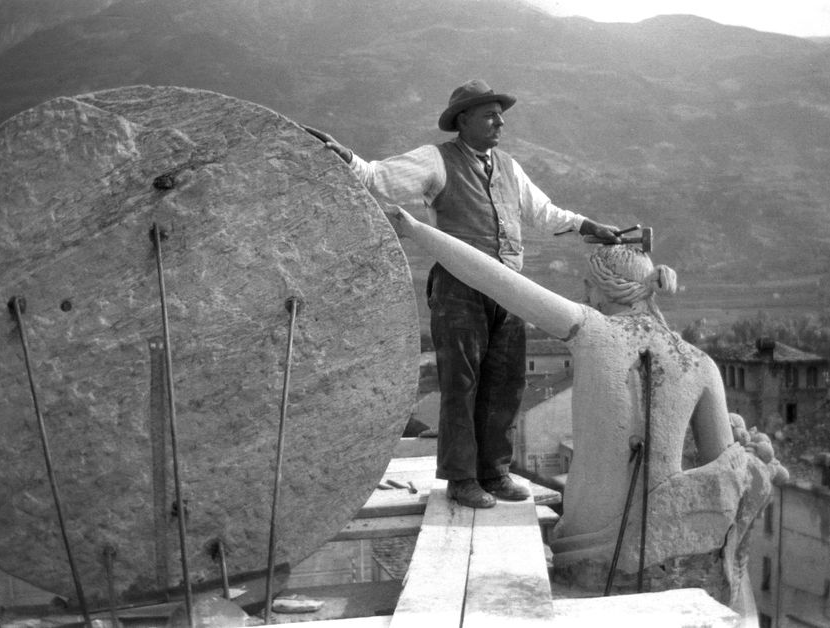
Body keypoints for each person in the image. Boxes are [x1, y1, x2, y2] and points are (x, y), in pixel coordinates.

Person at [383, 205, 788, 619]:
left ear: (604, 288)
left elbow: (492, 277)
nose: (583, 295)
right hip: (672, 555)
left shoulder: (590, 329)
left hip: (588, 553)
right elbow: (723, 467)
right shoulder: (699, 364)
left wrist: (417, 230)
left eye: (587, 286)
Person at [306, 79, 627, 508]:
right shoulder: (436, 161)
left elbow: (544, 213)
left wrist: (589, 226)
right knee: (462, 384)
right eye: (489, 114)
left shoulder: (510, 167)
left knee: (506, 382)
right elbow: (377, 178)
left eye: (500, 115)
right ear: (463, 120)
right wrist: (345, 157)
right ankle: (461, 480)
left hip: (509, 289)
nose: (499, 122)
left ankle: (494, 474)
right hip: (459, 289)